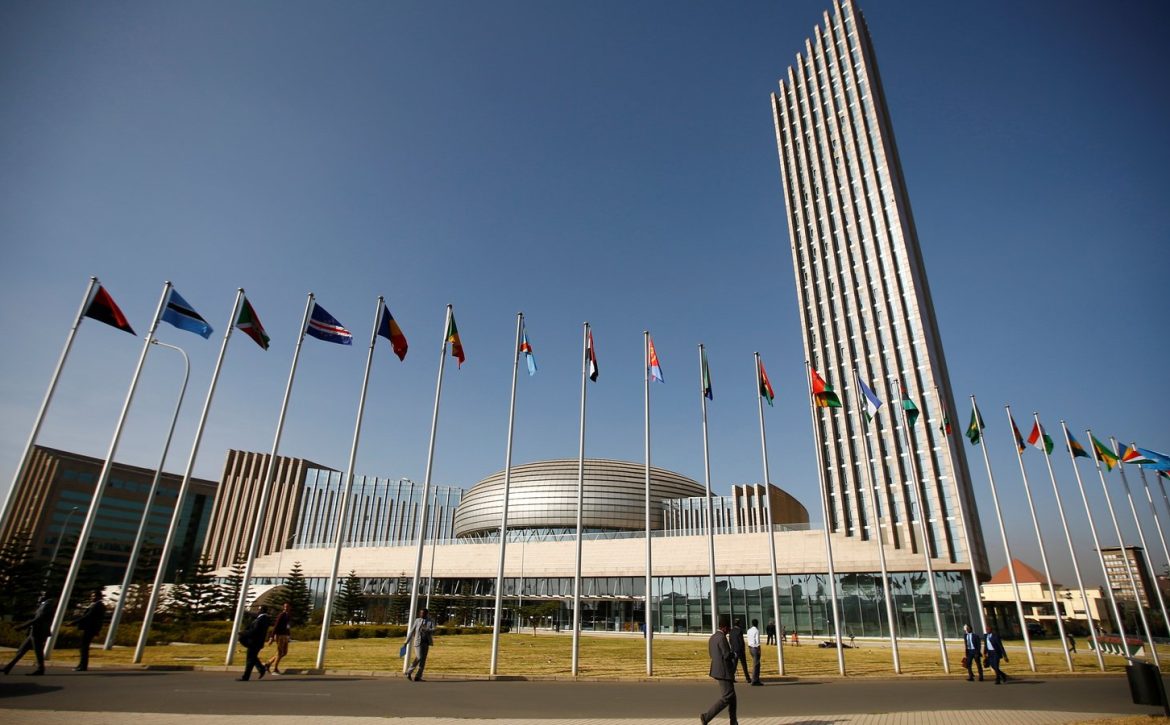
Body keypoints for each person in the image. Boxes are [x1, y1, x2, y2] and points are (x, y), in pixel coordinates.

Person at [700, 616, 738, 725]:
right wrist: (734, 654)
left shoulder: (712, 637)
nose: (729, 630)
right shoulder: (722, 638)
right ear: (725, 628)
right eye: (728, 628)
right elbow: (726, 655)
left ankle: (733, 721)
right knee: (727, 697)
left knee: (733, 698)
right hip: (724, 671)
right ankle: (706, 716)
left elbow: (712, 654)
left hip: (717, 669)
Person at [3, 595, 54, 676]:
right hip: (34, 632)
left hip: (39, 632)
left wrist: (23, 626)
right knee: (21, 650)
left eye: (41, 596)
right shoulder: (43, 605)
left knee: (38, 652)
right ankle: (8, 667)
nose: (39, 598)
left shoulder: (47, 604)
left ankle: (40, 669)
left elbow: (39, 618)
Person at [70, 590, 106, 672]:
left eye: (94, 596)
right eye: (92, 596)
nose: (92, 597)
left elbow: (88, 616)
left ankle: (83, 666)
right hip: (89, 628)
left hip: (91, 628)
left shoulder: (98, 606)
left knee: (84, 647)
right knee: (83, 647)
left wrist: (74, 622)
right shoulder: (94, 605)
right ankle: (81, 665)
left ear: (99, 597)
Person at [237, 606, 272, 681]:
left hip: (254, 642)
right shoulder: (263, 618)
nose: (257, 611)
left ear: (261, 611)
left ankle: (246, 677)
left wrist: (243, 633)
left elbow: (254, 631)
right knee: (252, 658)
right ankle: (261, 669)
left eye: (259, 610)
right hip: (257, 642)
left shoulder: (261, 620)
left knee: (250, 659)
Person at [405, 607, 435, 682]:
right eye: (420, 613)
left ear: (426, 614)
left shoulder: (430, 621)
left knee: (423, 660)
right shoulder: (417, 621)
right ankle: (409, 671)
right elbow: (411, 631)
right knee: (419, 657)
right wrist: (406, 642)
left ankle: (418, 677)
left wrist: (426, 629)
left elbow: (433, 630)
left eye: (423, 613)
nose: (421, 614)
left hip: (426, 642)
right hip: (418, 642)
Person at [265, 602, 292, 675]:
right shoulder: (281, 615)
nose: (286, 608)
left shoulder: (288, 615)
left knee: (284, 652)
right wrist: (271, 637)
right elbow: (276, 626)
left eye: (287, 607)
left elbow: (288, 626)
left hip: (285, 635)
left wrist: (289, 635)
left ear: (290, 607)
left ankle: (268, 663)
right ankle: (275, 669)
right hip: (279, 635)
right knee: (280, 652)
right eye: (285, 606)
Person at [746, 619, 762, 686]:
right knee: (756, 664)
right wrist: (759, 650)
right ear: (757, 624)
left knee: (756, 663)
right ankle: (755, 680)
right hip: (755, 648)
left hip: (750, 647)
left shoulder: (749, 630)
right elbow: (757, 641)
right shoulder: (756, 631)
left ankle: (756, 679)